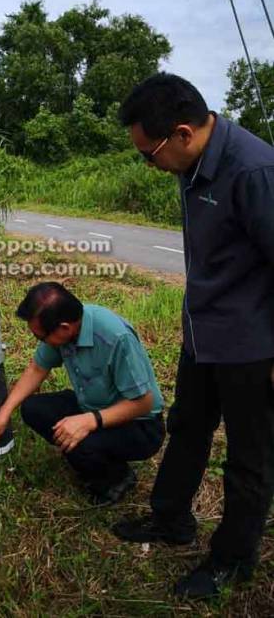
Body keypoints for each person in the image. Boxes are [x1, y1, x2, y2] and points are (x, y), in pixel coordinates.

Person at [114, 72, 274, 599]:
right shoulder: (190, 165)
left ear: (183, 133)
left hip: (252, 346)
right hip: (203, 333)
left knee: (249, 456)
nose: (149, 164)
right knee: (188, 427)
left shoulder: (254, 170)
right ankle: (170, 519)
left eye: (148, 153)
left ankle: (231, 559)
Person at [0, 282, 165, 505]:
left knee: (83, 444)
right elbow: (37, 368)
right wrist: (4, 413)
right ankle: (92, 455)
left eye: (41, 338)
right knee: (33, 409)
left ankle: (117, 478)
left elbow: (144, 403)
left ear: (65, 328)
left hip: (139, 424)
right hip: (91, 406)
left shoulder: (115, 338)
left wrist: (89, 421)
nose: (39, 342)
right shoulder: (67, 328)